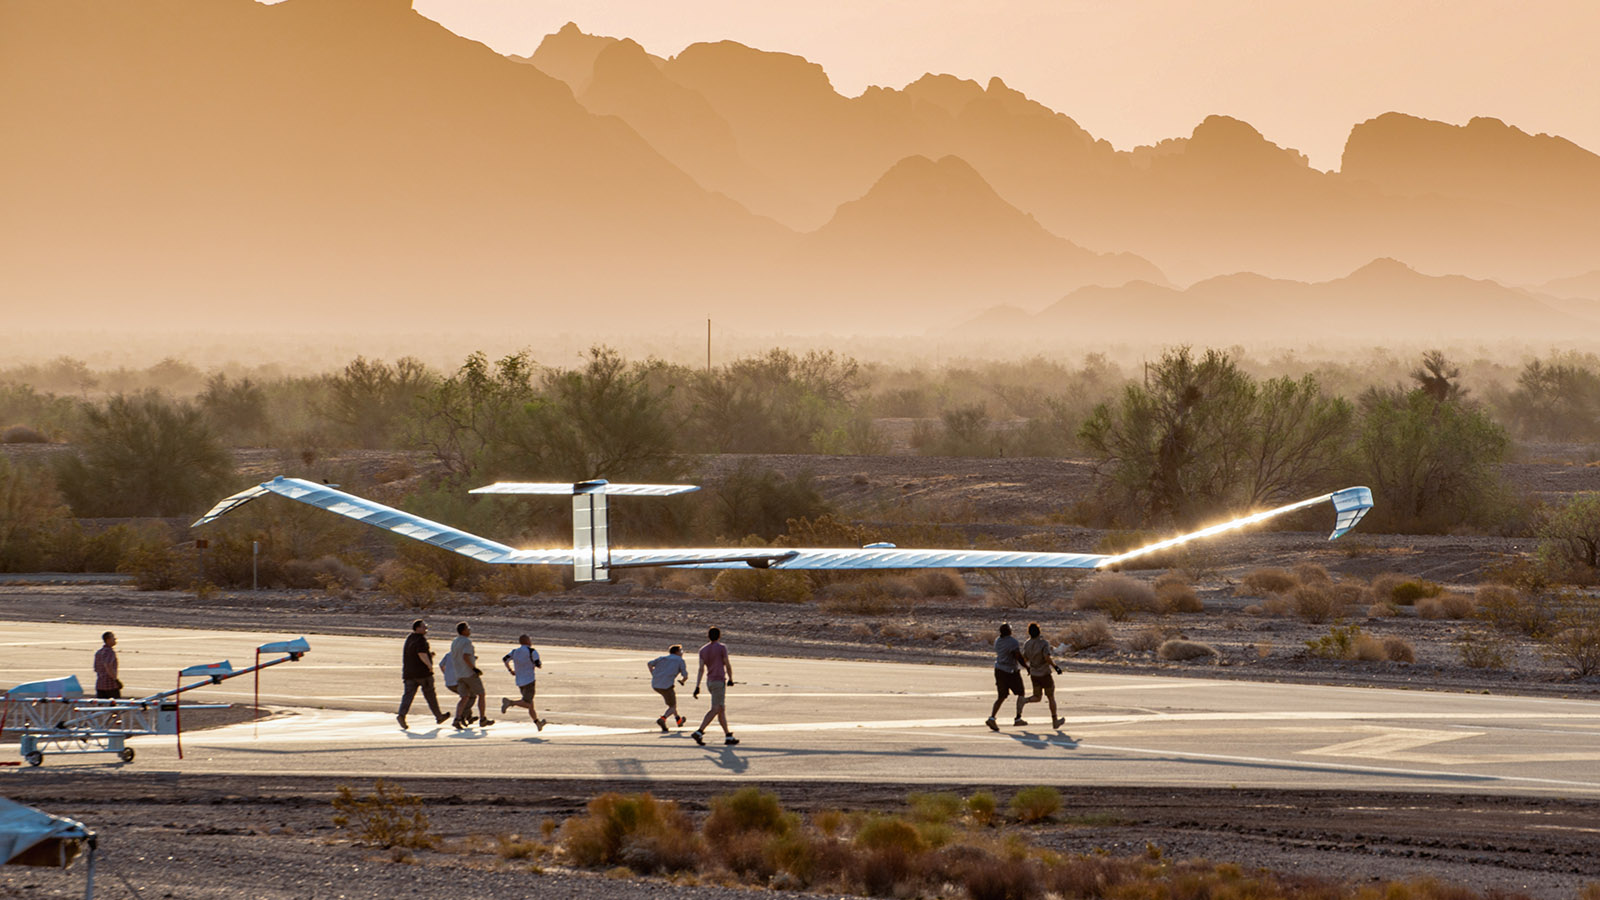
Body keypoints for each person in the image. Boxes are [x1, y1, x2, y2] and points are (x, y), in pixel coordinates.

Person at [397, 619, 451, 730]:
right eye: (423, 626)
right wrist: (429, 666)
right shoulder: (421, 640)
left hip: (409, 673)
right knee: (430, 696)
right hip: (422, 673)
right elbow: (421, 654)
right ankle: (438, 716)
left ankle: (402, 715)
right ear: (417, 628)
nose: (425, 628)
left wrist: (429, 655)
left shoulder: (410, 638)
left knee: (408, 696)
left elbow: (417, 654)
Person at [690, 626, 737, 746]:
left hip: (710, 681)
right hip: (718, 681)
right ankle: (699, 731)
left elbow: (701, 669)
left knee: (721, 708)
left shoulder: (703, 650)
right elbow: (727, 663)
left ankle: (728, 736)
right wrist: (731, 678)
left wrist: (697, 686)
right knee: (716, 708)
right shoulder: (722, 648)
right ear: (719, 636)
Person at [1018, 621, 1066, 730]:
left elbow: (1025, 658)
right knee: (1050, 697)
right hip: (1044, 673)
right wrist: (1055, 667)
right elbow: (1047, 658)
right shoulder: (1044, 643)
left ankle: (1025, 700)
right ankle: (1055, 720)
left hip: (1034, 674)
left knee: (1037, 696)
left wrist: (1029, 667)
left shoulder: (1027, 644)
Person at [449, 621, 493, 730]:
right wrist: (474, 668)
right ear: (463, 630)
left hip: (459, 673)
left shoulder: (454, 641)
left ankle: (457, 718)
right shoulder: (467, 642)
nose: (470, 630)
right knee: (481, 694)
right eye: (468, 628)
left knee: (464, 697)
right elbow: (465, 656)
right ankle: (483, 718)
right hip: (468, 673)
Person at [986, 622, 1028, 731]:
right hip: (1011, 671)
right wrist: (1026, 667)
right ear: (1009, 631)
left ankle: (992, 717)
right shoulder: (1012, 642)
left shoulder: (997, 640)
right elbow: (1017, 656)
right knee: (1021, 693)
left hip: (999, 669)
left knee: (1001, 696)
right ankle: (1018, 718)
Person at [500, 634, 546, 730]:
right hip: (529, 680)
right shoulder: (532, 651)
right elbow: (538, 664)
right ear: (528, 641)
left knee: (530, 704)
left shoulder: (515, 651)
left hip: (519, 680)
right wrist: (538, 664)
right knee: (527, 703)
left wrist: (510, 670)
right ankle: (510, 702)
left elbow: (505, 659)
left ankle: (537, 722)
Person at [647, 644, 689, 732]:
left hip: (655, 684)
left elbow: (650, 663)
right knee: (673, 706)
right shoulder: (680, 660)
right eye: (680, 651)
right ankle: (663, 719)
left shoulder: (662, 658)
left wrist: (654, 674)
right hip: (667, 686)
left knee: (671, 704)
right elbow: (685, 675)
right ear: (677, 652)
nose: (682, 652)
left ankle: (679, 720)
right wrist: (682, 681)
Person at [93, 631, 121, 700]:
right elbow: (108, 665)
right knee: (116, 706)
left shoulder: (99, 652)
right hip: (110, 685)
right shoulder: (110, 652)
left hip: (100, 684)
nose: (115, 640)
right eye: (113, 638)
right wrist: (115, 679)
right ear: (108, 640)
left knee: (101, 706)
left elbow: (96, 668)